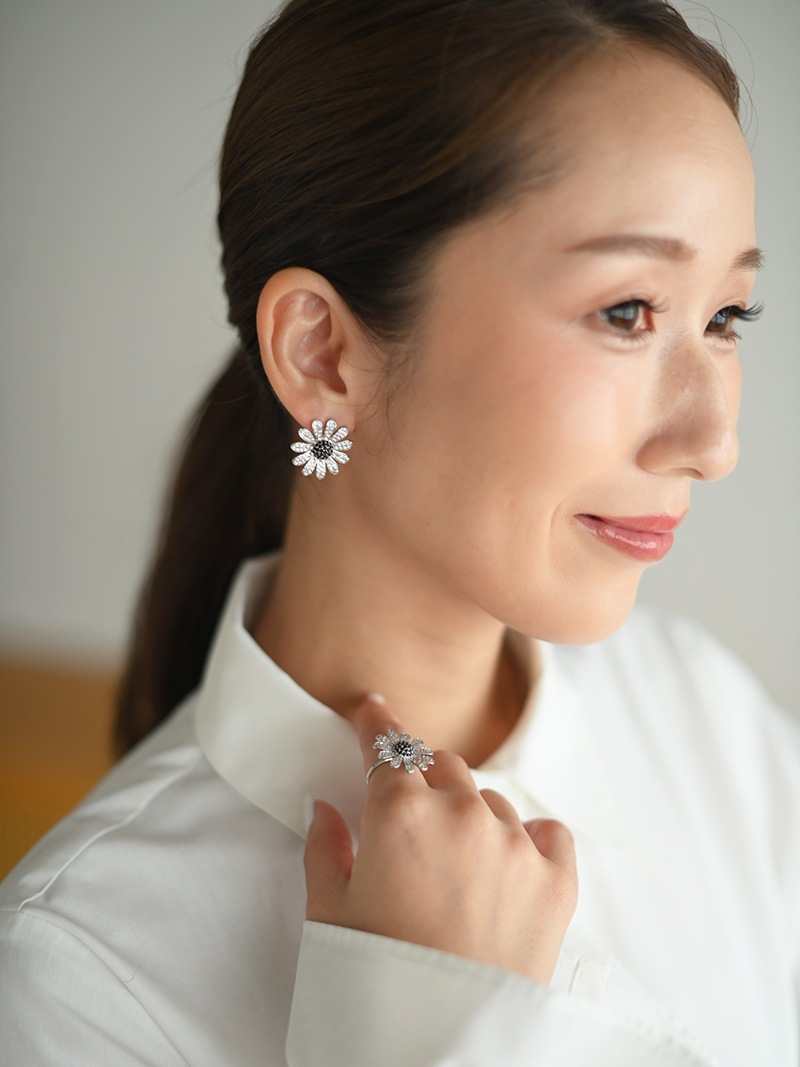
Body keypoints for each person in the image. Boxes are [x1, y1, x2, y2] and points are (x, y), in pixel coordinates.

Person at [1, 0, 798, 1063]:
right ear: (322, 352)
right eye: (626, 312)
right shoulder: (76, 973)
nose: (713, 442)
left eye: (725, 317)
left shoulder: (708, 722)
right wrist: (419, 1021)